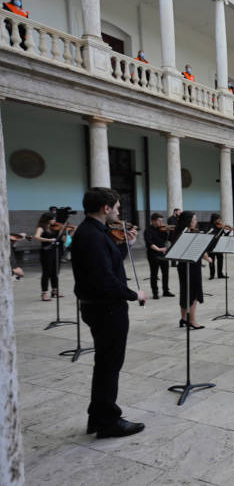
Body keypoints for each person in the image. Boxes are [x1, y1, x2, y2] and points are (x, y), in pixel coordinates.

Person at [71, 187, 146, 439]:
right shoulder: (91, 236)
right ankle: (108, 422)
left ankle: (97, 416)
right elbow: (105, 279)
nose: (117, 211)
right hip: (107, 309)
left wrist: (127, 245)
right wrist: (134, 295)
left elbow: (110, 264)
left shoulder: (95, 232)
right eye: (116, 207)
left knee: (105, 364)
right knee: (109, 365)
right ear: (106, 208)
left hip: (103, 307)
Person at [170, 211, 209, 330]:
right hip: (188, 266)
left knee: (186, 291)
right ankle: (191, 320)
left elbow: (201, 248)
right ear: (188, 222)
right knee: (192, 292)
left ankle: (184, 318)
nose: (196, 222)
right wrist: (207, 258)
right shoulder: (181, 234)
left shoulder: (189, 232)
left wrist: (206, 257)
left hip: (191, 265)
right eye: (194, 220)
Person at [33, 212, 63, 301]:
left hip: (55, 251)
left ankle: (55, 291)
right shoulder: (41, 228)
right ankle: (44, 293)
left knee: (55, 272)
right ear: (47, 220)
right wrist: (49, 240)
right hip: (46, 251)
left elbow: (61, 238)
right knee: (47, 272)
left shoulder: (54, 228)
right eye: (53, 219)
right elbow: (36, 237)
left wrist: (64, 231)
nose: (55, 221)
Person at [144, 213, 174, 299]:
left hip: (163, 254)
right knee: (154, 274)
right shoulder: (148, 230)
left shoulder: (162, 229)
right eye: (159, 221)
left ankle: (166, 291)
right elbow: (149, 243)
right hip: (153, 254)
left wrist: (167, 231)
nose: (161, 222)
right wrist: (159, 249)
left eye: (161, 220)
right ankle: (155, 293)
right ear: (153, 221)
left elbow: (166, 240)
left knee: (165, 273)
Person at [205, 213, 228, 280]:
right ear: (214, 219)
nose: (219, 220)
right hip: (211, 246)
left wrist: (228, 231)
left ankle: (220, 274)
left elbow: (224, 235)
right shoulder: (210, 226)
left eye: (219, 219)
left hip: (219, 245)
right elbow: (209, 234)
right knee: (211, 260)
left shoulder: (221, 226)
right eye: (218, 219)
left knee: (220, 259)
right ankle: (212, 275)